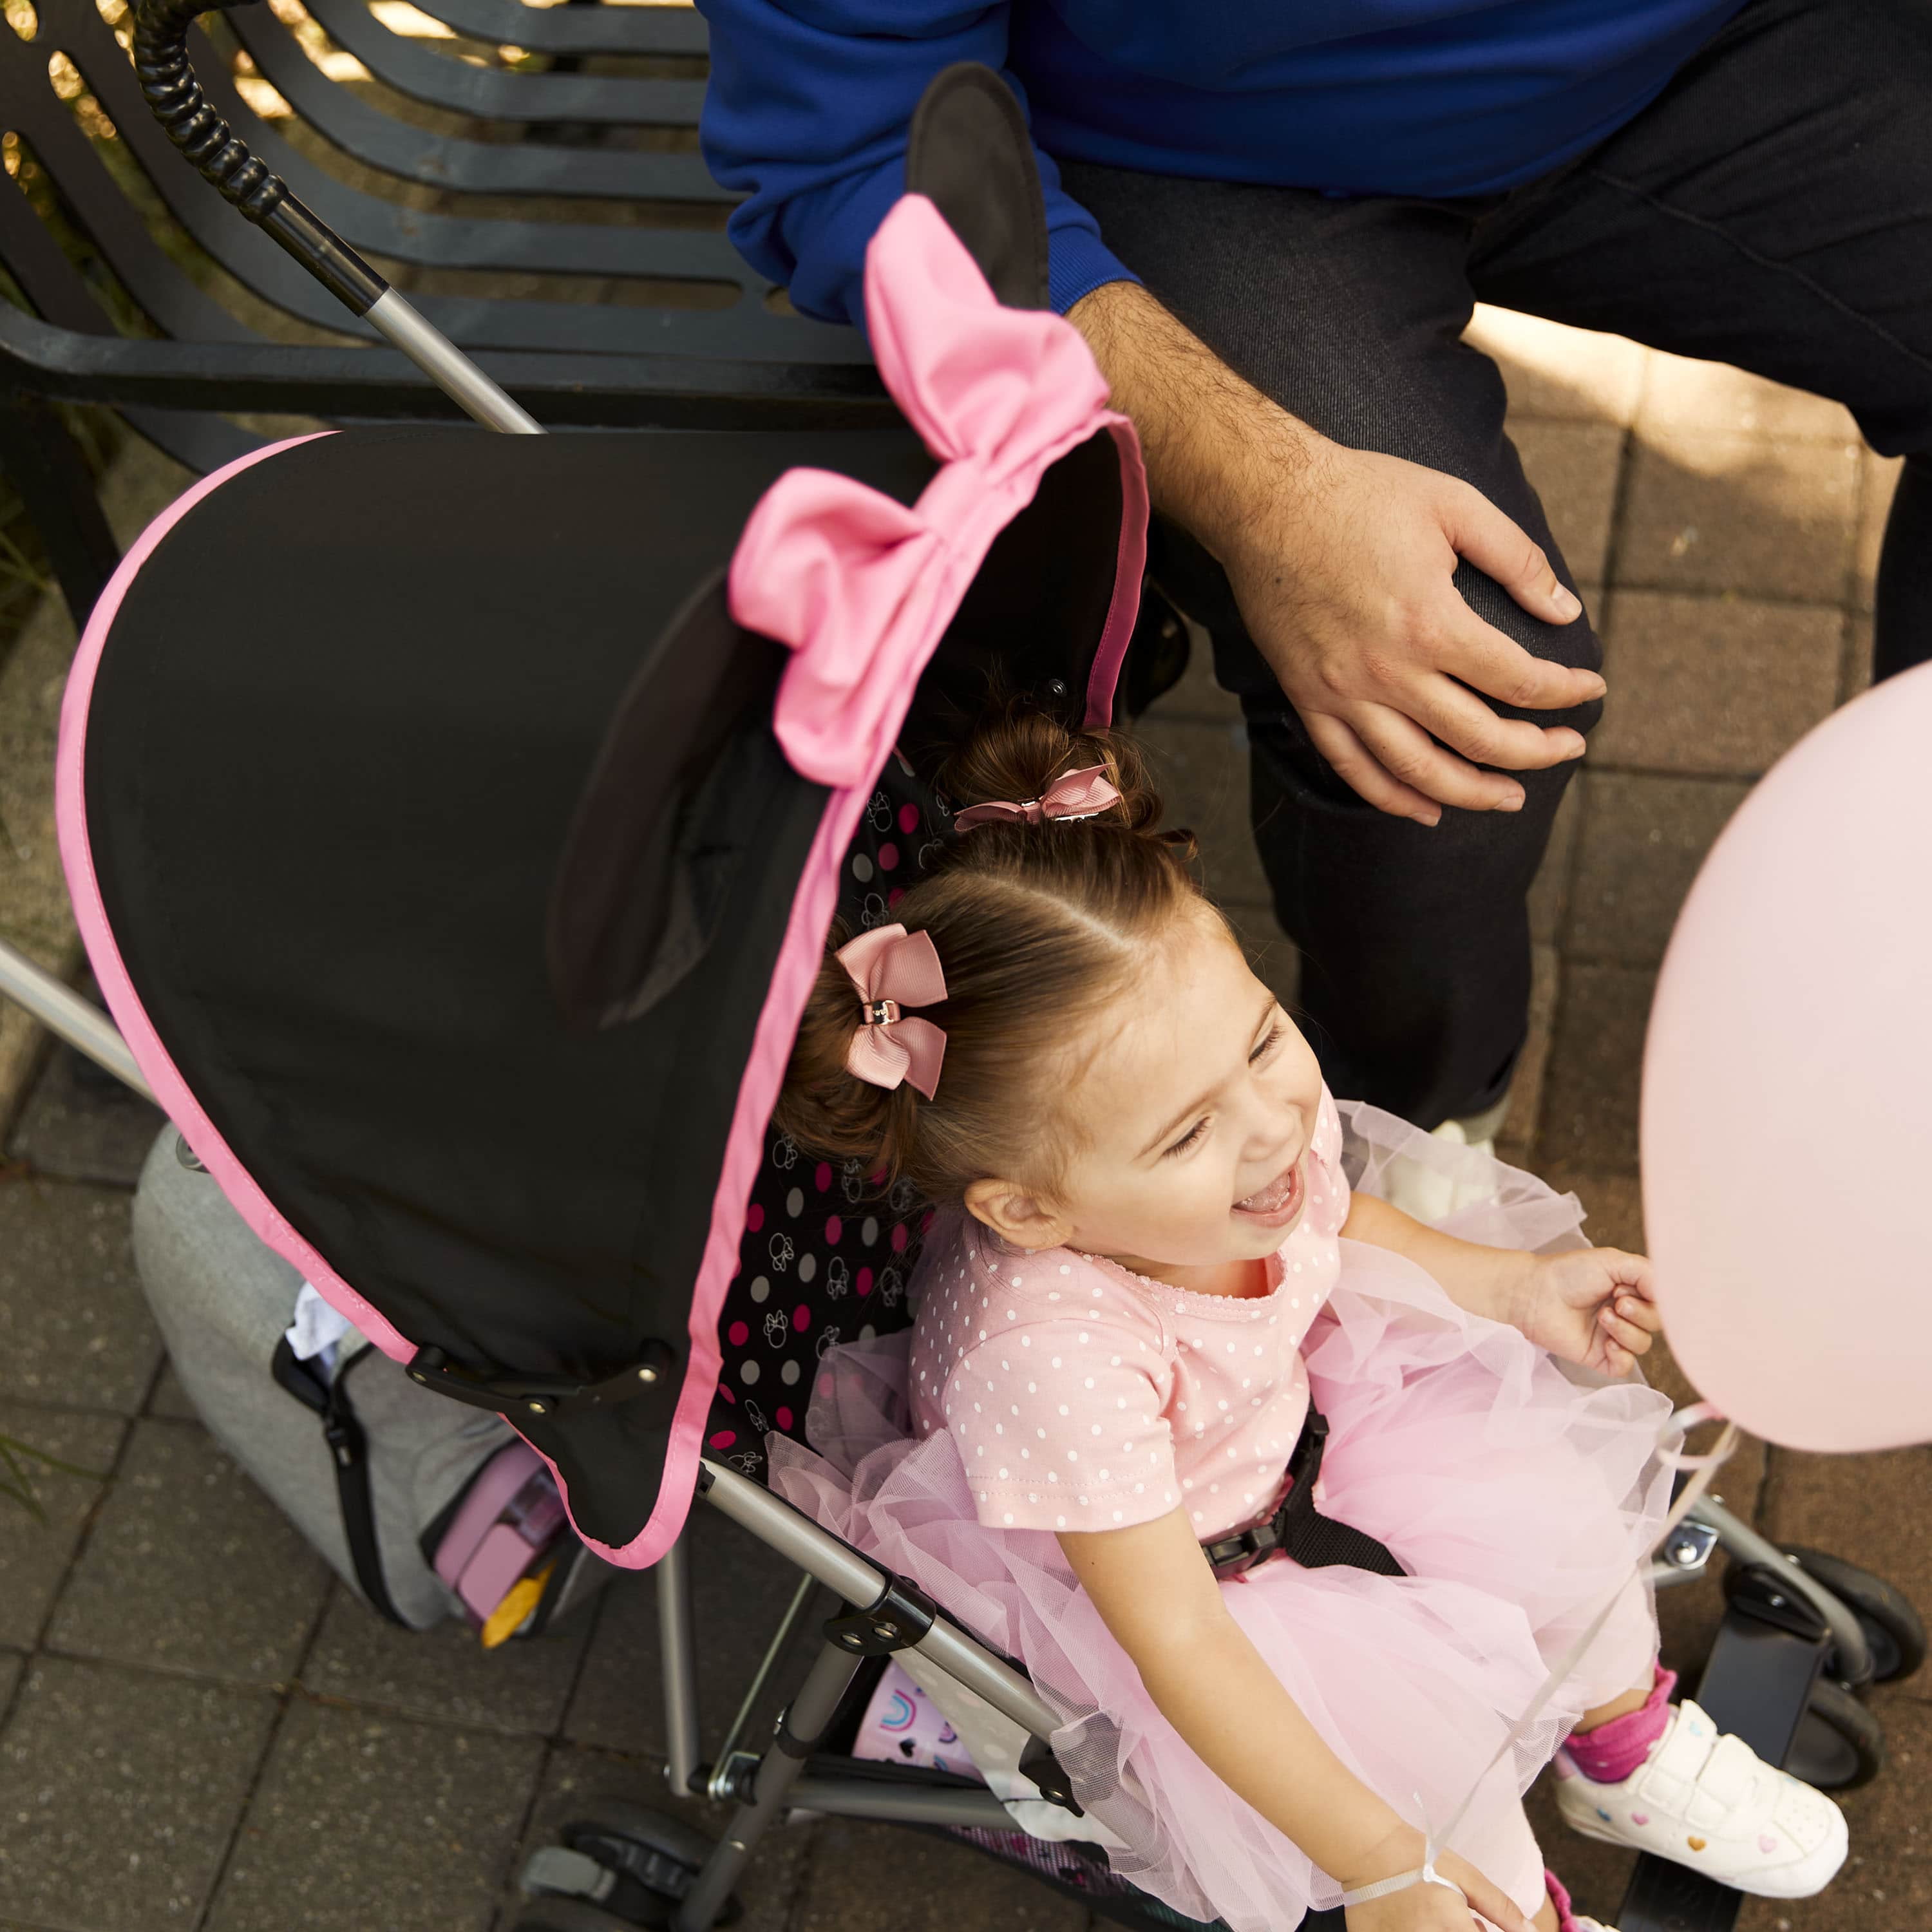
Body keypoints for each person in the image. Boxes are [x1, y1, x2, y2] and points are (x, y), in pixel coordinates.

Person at [697, 0, 1932, 1139]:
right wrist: (1267, 493)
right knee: (1458, 692)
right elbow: (852, 146)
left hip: (1697, 44)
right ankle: (1402, 1144)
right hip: (1193, 143)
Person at [765, 706, 1848, 1932]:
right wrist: (1385, 1860)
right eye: (1187, 1131)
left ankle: (1619, 1745)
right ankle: (1498, 1907)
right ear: (1033, 1210)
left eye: (1265, 1040)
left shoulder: (1251, 1151)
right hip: (1185, 1575)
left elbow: (1336, 1230)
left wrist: (1512, 1288)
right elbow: (1177, 1641)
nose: (1275, 1126)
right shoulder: (1051, 1357)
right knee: (1424, 1778)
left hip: (1297, 1415)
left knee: (1556, 1517)